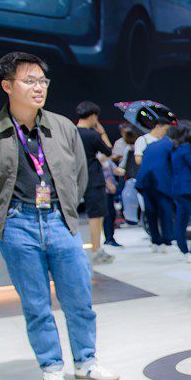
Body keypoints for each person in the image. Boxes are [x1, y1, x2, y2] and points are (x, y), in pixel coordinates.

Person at [0, 51, 120, 380]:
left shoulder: (63, 127)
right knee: (36, 304)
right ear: (7, 86)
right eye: (29, 81)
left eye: (42, 81)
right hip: (17, 224)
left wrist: (66, 210)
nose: (39, 88)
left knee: (79, 298)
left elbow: (79, 175)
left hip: (59, 220)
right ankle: (51, 367)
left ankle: (86, 361)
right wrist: (4, 215)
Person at [75, 101, 115, 264]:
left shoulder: (71, 132)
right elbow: (109, 151)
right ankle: (96, 250)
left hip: (76, 178)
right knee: (96, 216)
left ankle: (96, 249)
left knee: (91, 215)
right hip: (93, 179)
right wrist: (102, 132)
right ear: (92, 116)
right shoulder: (92, 135)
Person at [168, 121, 191, 258]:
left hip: (178, 188)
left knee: (181, 218)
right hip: (190, 188)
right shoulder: (186, 148)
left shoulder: (175, 148)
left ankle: (182, 249)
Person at [137, 129, 176, 251]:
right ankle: (167, 240)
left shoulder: (151, 145)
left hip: (145, 182)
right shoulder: (170, 146)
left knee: (151, 212)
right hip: (161, 183)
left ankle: (155, 241)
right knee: (165, 212)